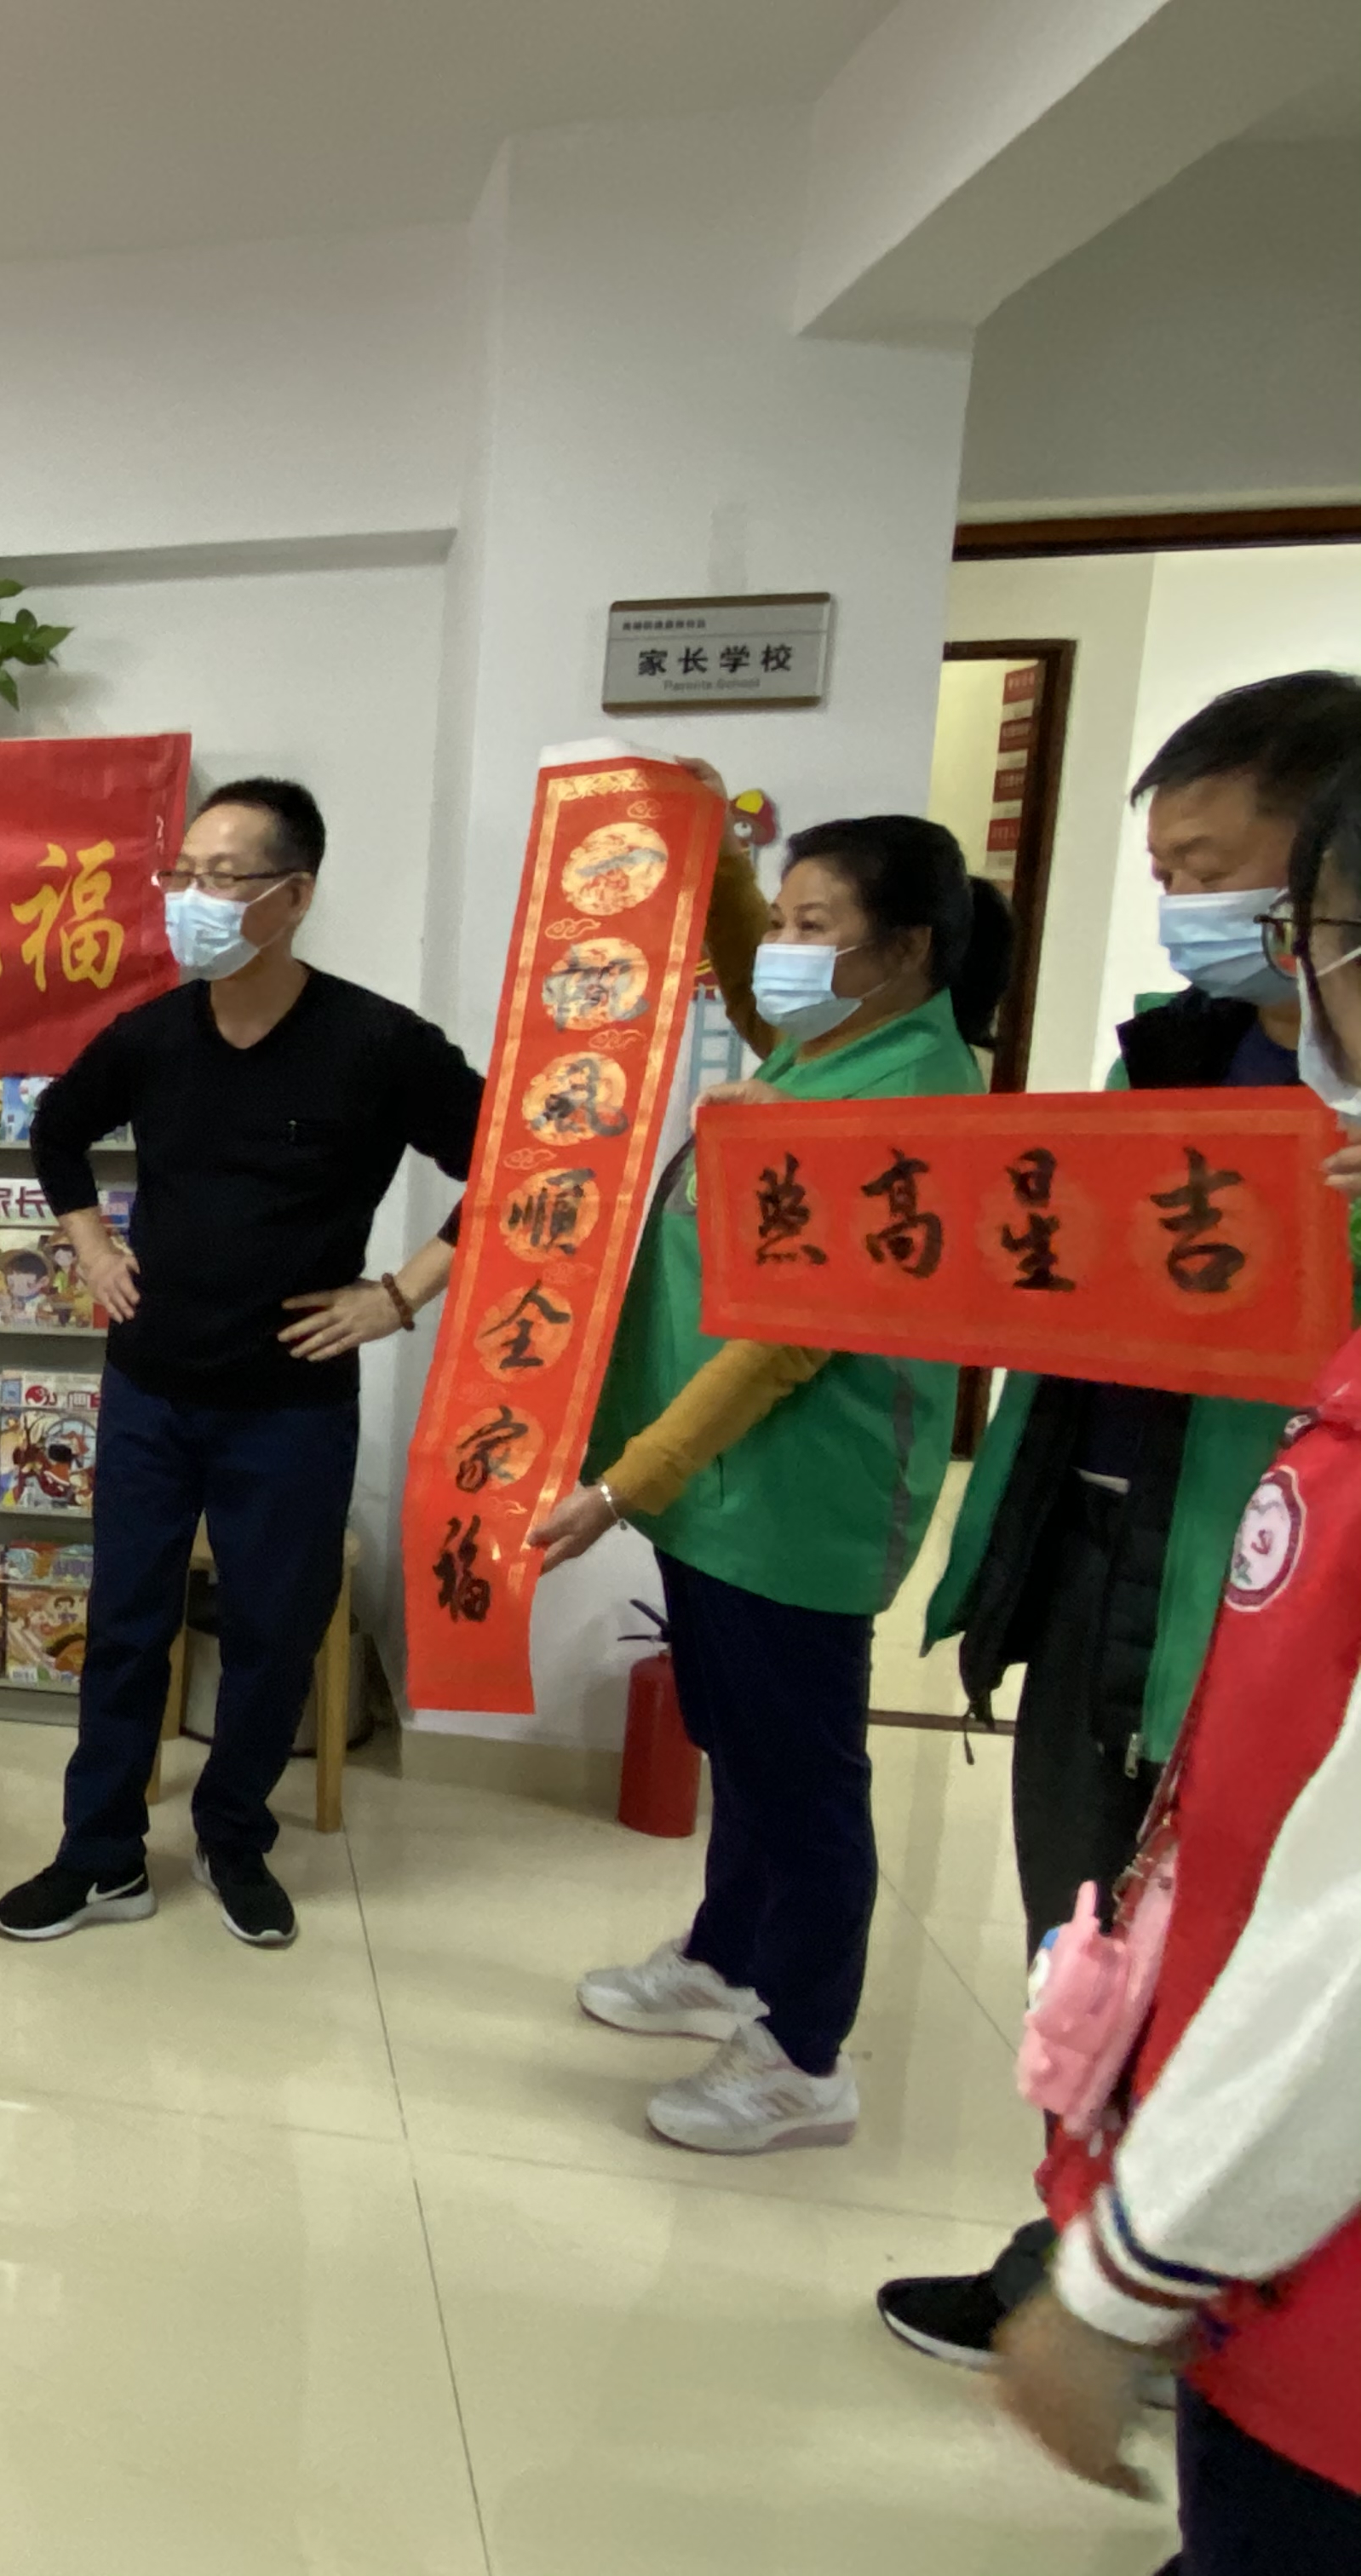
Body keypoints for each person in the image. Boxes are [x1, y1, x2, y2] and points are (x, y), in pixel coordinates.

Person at [874, 670, 1361, 2371]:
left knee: (1241, 1957)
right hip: (1095, 1551)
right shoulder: (1172, 1057)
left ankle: (1191, 2298)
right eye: (1162, 875)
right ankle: (1078, 2245)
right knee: (1082, 1935)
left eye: (1209, 870)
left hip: (1271, 1603)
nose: (1185, 909)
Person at [993, 755, 1361, 2567]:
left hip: (1310, 2307)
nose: (1260, 946)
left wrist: (1121, 2285)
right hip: (1254, 2277)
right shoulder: (1181, 1073)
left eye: (1297, 919)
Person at [537, 815, 1007, 2153]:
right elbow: (756, 987)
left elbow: (790, 1343)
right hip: (723, 1490)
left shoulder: (906, 1103)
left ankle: (805, 2052)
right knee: (740, 1744)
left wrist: (624, 1484)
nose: (783, 952)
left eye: (816, 926)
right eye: (784, 922)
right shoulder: (834, 1044)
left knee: (802, 1778)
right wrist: (720, 859)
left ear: (902, 950)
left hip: (799, 1500)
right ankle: (725, 1956)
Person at [0, 779, 481, 1949]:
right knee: (125, 1625)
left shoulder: (376, 1043)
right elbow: (58, 1128)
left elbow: (520, 1164)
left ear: (294, 896)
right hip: (152, 1388)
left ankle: (233, 1836)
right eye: (184, 875)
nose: (192, 900)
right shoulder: (155, 1035)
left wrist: (399, 1296)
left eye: (223, 878)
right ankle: (101, 1855)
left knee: (272, 1633)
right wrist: (91, 1244)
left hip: (290, 1403)